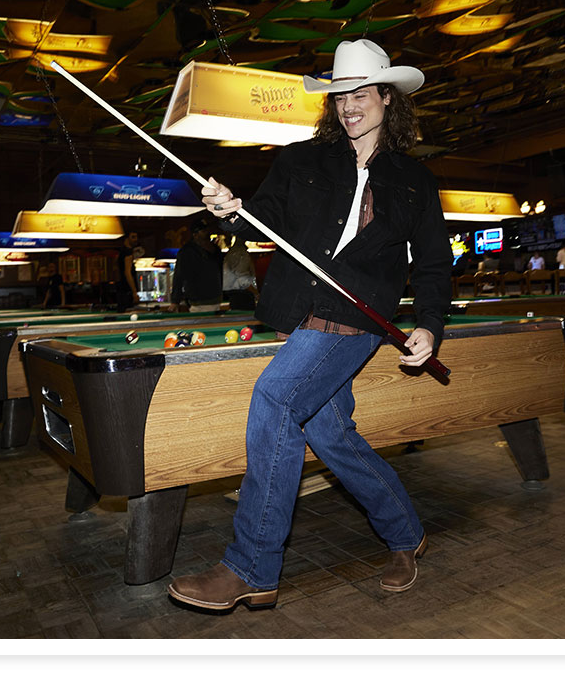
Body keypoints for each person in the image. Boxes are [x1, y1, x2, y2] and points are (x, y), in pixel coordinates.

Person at [167, 38, 449, 611]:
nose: (349, 105)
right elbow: (259, 221)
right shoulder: (300, 159)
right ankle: (405, 534)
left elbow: (435, 263)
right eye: (340, 95)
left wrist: (430, 325)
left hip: (357, 317)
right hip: (299, 310)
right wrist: (228, 207)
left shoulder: (414, 179)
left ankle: (251, 567)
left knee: (273, 400)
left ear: (388, 99)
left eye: (361, 94)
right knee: (329, 433)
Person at [169, 219, 224, 313]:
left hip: (217, 299)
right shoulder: (187, 252)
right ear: (195, 234)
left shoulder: (216, 250)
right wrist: (175, 301)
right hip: (198, 301)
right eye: (203, 231)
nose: (208, 232)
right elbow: (178, 276)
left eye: (207, 230)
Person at [221, 237, 259, 311]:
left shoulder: (234, 252)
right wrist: (256, 294)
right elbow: (243, 279)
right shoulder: (241, 253)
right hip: (242, 295)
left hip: (234, 294)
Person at [116, 232, 141, 309]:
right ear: (126, 239)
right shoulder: (128, 252)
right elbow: (128, 273)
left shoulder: (122, 251)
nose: (136, 239)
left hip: (122, 290)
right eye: (133, 237)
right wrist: (134, 292)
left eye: (136, 237)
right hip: (127, 291)